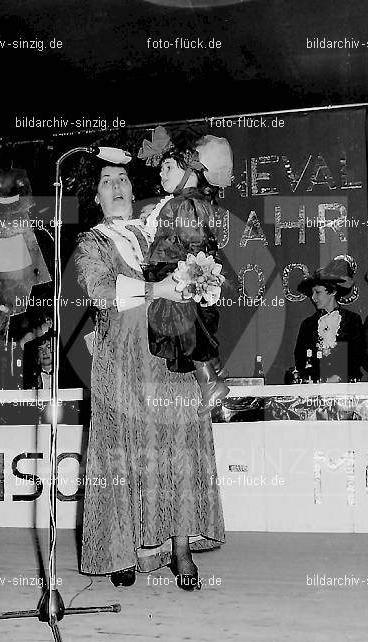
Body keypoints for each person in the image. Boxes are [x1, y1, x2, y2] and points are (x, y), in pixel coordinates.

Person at [74, 147, 224, 591]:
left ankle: (179, 548)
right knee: (119, 455)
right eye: (107, 181)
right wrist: (157, 286)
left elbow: (197, 250)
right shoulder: (90, 243)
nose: (117, 187)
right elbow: (101, 290)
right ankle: (120, 551)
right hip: (120, 359)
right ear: (96, 197)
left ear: (133, 189)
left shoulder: (159, 224)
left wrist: (203, 282)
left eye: (122, 179)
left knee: (178, 445)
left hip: (168, 354)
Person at [138, 127, 232, 415]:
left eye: (167, 166)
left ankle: (210, 382)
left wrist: (174, 275)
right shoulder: (182, 202)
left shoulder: (186, 203)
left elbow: (192, 245)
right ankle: (211, 376)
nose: (161, 173)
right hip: (177, 276)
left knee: (187, 332)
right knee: (188, 333)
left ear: (189, 166)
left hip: (178, 277)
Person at [294, 259, 364, 382]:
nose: (313, 297)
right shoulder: (308, 324)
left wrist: (340, 376)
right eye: (312, 293)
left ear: (333, 292)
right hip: (315, 388)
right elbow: (300, 358)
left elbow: (357, 355)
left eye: (318, 292)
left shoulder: (352, 320)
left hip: (347, 387)